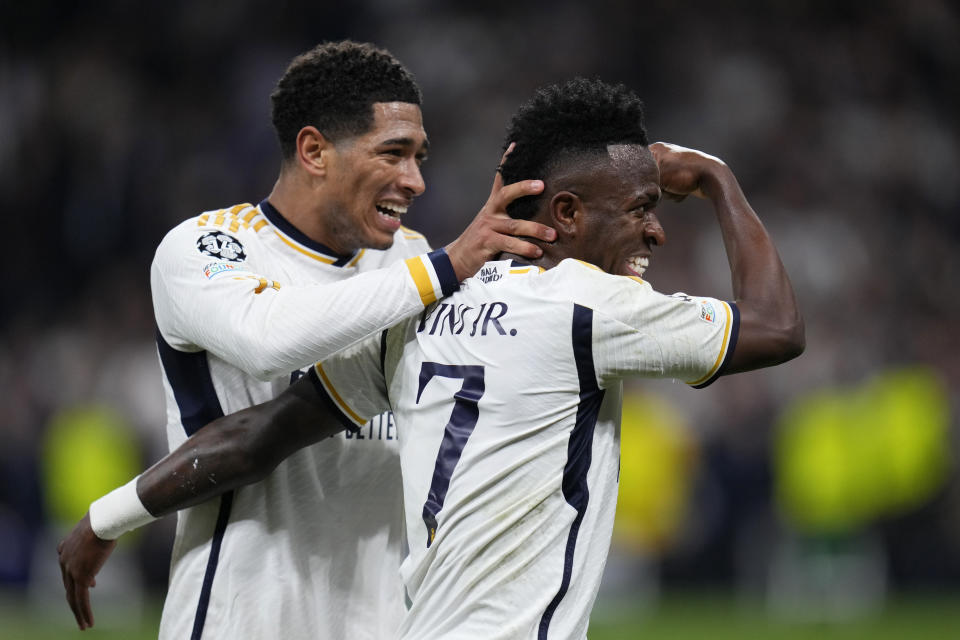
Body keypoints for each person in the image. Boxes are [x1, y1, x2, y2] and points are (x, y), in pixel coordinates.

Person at [61, 78, 804, 638]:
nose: (656, 233)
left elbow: (261, 434)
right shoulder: (583, 304)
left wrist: (104, 519)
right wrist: (714, 178)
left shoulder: (422, 310)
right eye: (642, 210)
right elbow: (775, 327)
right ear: (568, 215)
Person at [57, 40, 553, 638]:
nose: (416, 180)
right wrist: (444, 269)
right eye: (393, 154)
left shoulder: (415, 262)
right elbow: (270, 339)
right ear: (314, 150)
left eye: (419, 156)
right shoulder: (206, 249)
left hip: (379, 619)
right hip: (239, 615)